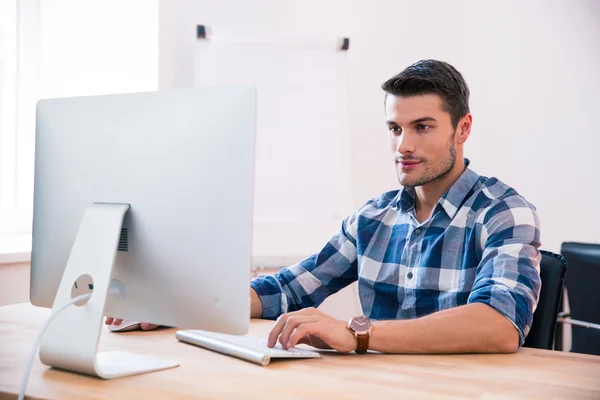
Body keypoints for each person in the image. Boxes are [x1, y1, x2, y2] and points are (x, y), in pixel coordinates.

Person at [107, 59, 541, 355]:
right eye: (394, 128)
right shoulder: (373, 217)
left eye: (422, 127)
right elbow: (289, 288)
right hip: (377, 387)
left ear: (462, 128)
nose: (403, 146)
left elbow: (499, 326)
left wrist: (359, 335)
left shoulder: (503, 212)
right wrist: (173, 304)